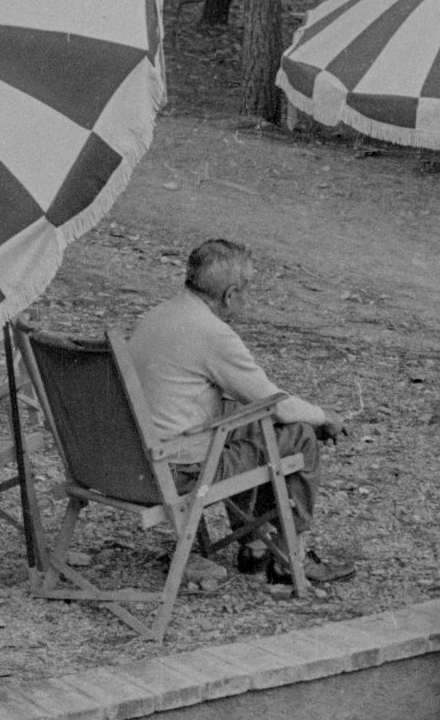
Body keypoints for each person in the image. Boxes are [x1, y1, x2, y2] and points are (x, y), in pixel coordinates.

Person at [127, 238, 352, 586]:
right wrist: (324, 417)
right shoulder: (212, 333)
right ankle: (292, 555)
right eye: (247, 291)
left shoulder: (158, 315)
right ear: (231, 294)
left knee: (245, 427)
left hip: (133, 464)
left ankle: (255, 548)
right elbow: (271, 401)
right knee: (300, 437)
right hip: (180, 471)